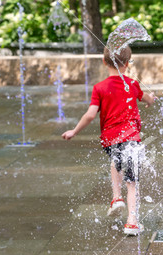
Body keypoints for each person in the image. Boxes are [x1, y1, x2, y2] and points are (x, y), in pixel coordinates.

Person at [62, 46, 156, 236]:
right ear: (127, 64)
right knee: (132, 181)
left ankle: (116, 197)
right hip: (132, 138)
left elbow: (90, 115)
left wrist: (74, 130)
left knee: (116, 160)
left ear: (105, 62)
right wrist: (150, 99)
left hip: (111, 138)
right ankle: (131, 222)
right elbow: (147, 98)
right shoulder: (132, 84)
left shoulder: (100, 88)